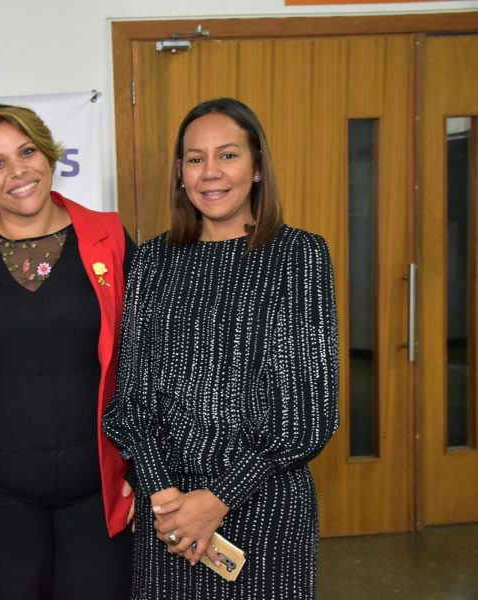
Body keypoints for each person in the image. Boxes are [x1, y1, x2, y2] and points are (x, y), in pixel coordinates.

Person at [102, 97, 339, 599]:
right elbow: (131, 401)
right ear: (180, 174)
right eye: (195, 158)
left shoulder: (299, 255)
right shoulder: (152, 261)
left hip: (265, 505)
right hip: (167, 510)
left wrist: (216, 500)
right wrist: (164, 495)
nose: (210, 172)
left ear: (257, 167)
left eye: (228, 155)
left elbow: (307, 415)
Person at [0, 102, 135, 599]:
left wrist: (146, 465)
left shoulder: (109, 238)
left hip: (99, 488)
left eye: (26, 152)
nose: (17, 171)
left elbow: (146, 357)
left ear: (49, 154)